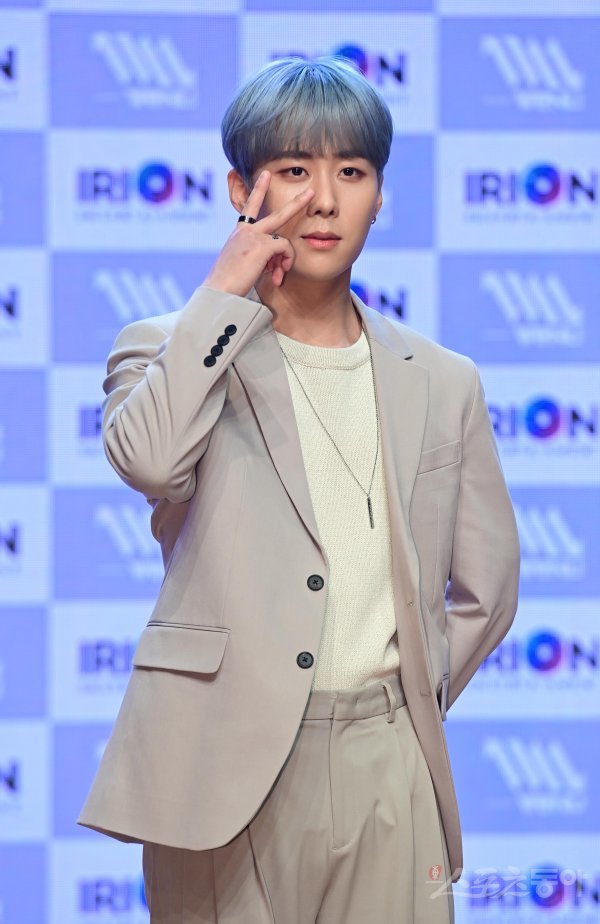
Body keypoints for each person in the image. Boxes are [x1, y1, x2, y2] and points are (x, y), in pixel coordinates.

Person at [78, 56, 520, 922]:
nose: (322, 201)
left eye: (350, 172)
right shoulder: (175, 346)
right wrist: (224, 289)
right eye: (292, 171)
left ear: (380, 196)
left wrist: (406, 700)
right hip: (221, 762)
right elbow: (150, 462)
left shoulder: (443, 378)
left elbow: (489, 587)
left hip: (388, 762)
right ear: (241, 191)